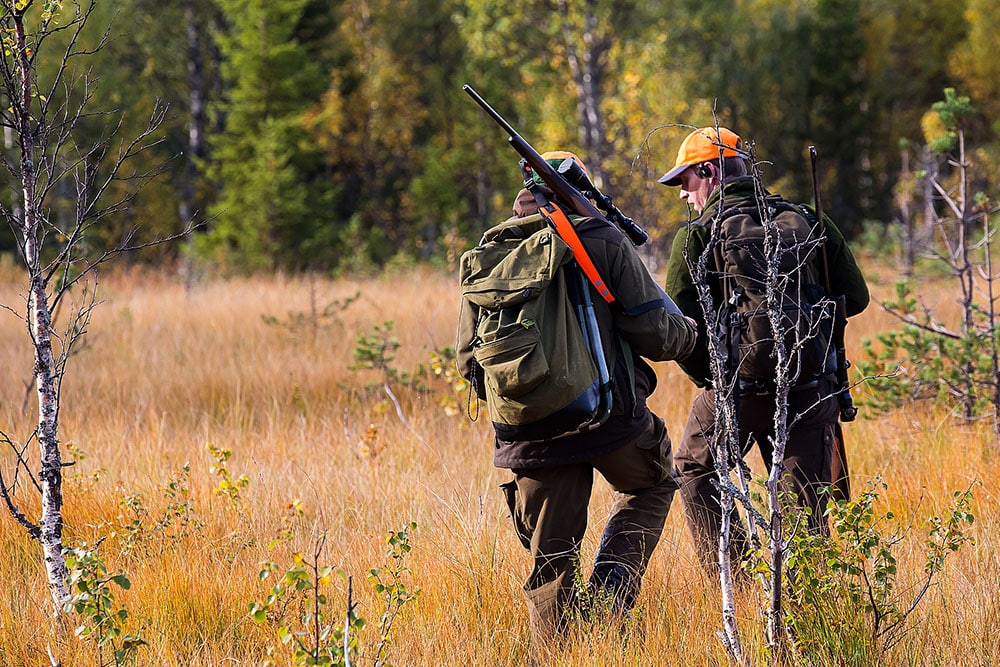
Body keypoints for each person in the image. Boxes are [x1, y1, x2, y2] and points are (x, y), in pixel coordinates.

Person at [457, 151, 697, 646]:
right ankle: (609, 606)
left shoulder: (491, 251)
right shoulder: (599, 237)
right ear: (580, 187)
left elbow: (467, 362)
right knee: (652, 486)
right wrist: (692, 335)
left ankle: (555, 654)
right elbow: (654, 332)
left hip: (527, 434)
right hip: (609, 421)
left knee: (551, 562)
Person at [659, 127, 870, 571]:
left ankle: (738, 577)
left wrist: (713, 378)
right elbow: (857, 296)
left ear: (709, 171)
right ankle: (812, 613)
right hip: (811, 389)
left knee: (695, 470)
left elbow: (678, 327)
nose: (682, 195)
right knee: (803, 513)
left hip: (735, 393)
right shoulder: (808, 218)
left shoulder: (696, 236)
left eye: (685, 182)